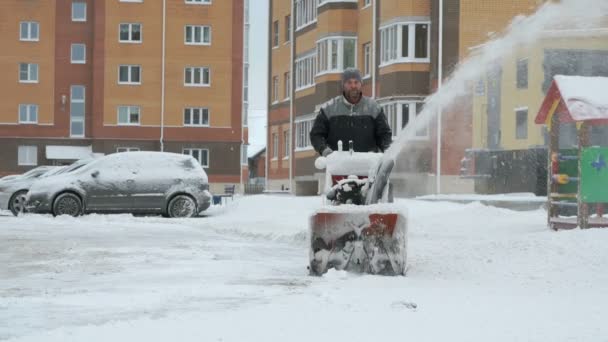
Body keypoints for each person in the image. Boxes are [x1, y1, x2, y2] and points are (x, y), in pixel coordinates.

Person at [309, 68, 392, 157]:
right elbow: (316, 134)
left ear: (361, 84)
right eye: (349, 82)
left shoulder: (374, 108)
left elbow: (385, 134)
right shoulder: (329, 109)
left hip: (367, 165)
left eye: (356, 82)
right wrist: (324, 150)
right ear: (343, 85)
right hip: (337, 165)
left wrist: (381, 151)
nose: (353, 86)